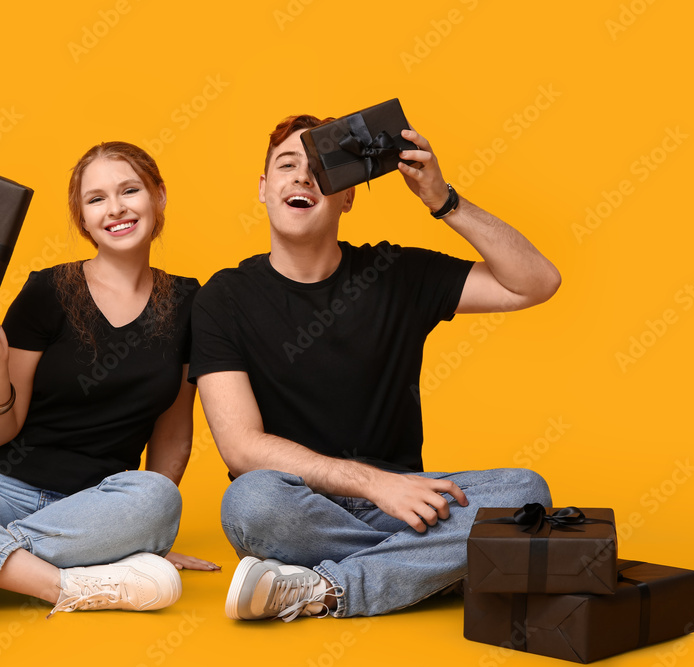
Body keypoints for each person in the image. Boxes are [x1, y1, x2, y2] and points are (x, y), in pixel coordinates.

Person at [189, 114, 561, 621]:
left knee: (525, 492)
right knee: (249, 502)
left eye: (321, 169)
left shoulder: (395, 274)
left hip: (411, 503)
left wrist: (443, 200)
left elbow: (535, 283)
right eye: (287, 165)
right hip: (301, 506)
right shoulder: (222, 298)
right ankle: (431, 569)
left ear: (348, 195)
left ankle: (324, 588)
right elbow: (241, 446)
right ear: (263, 188)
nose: (301, 177)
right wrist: (372, 484)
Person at [0, 141, 218, 617]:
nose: (117, 208)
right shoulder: (48, 289)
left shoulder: (189, 302)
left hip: (92, 506)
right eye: (96, 198)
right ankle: (57, 583)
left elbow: (173, 433)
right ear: (81, 218)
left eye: (130, 190)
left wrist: (147, 532)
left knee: (159, 495)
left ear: (159, 197)